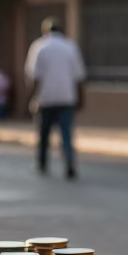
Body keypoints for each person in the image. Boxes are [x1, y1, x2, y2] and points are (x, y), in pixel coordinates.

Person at [25, 18, 86, 179]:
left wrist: (32, 98)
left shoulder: (39, 46)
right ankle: (70, 164)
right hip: (67, 97)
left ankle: (42, 163)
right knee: (66, 134)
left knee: (44, 133)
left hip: (46, 98)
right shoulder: (71, 46)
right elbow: (79, 77)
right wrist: (81, 98)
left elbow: (34, 76)